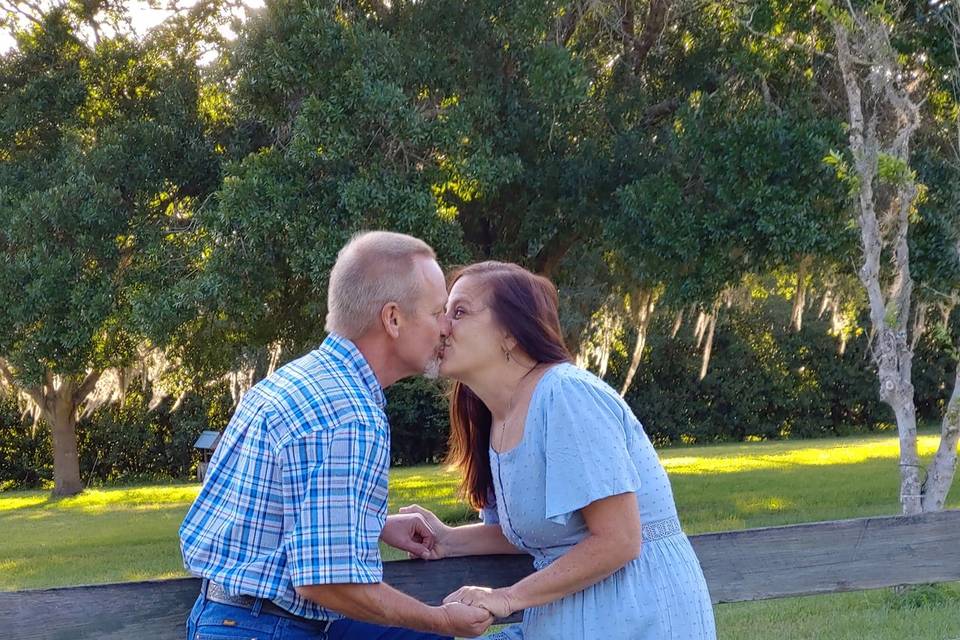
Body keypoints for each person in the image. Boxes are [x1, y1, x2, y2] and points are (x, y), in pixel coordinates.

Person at [179, 231, 494, 640]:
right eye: (437, 313)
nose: (446, 329)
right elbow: (328, 584)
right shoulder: (351, 417)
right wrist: (443, 620)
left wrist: (374, 522)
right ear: (393, 319)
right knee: (432, 633)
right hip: (268, 627)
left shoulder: (293, 381)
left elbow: (270, 506)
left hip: (228, 615)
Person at [401, 261, 716, 639]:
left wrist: (506, 597)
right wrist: (446, 540)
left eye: (460, 311)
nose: (442, 326)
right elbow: (549, 531)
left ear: (511, 334)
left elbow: (619, 539)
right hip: (566, 615)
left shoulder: (566, 395)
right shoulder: (495, 417)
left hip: (635, 612)